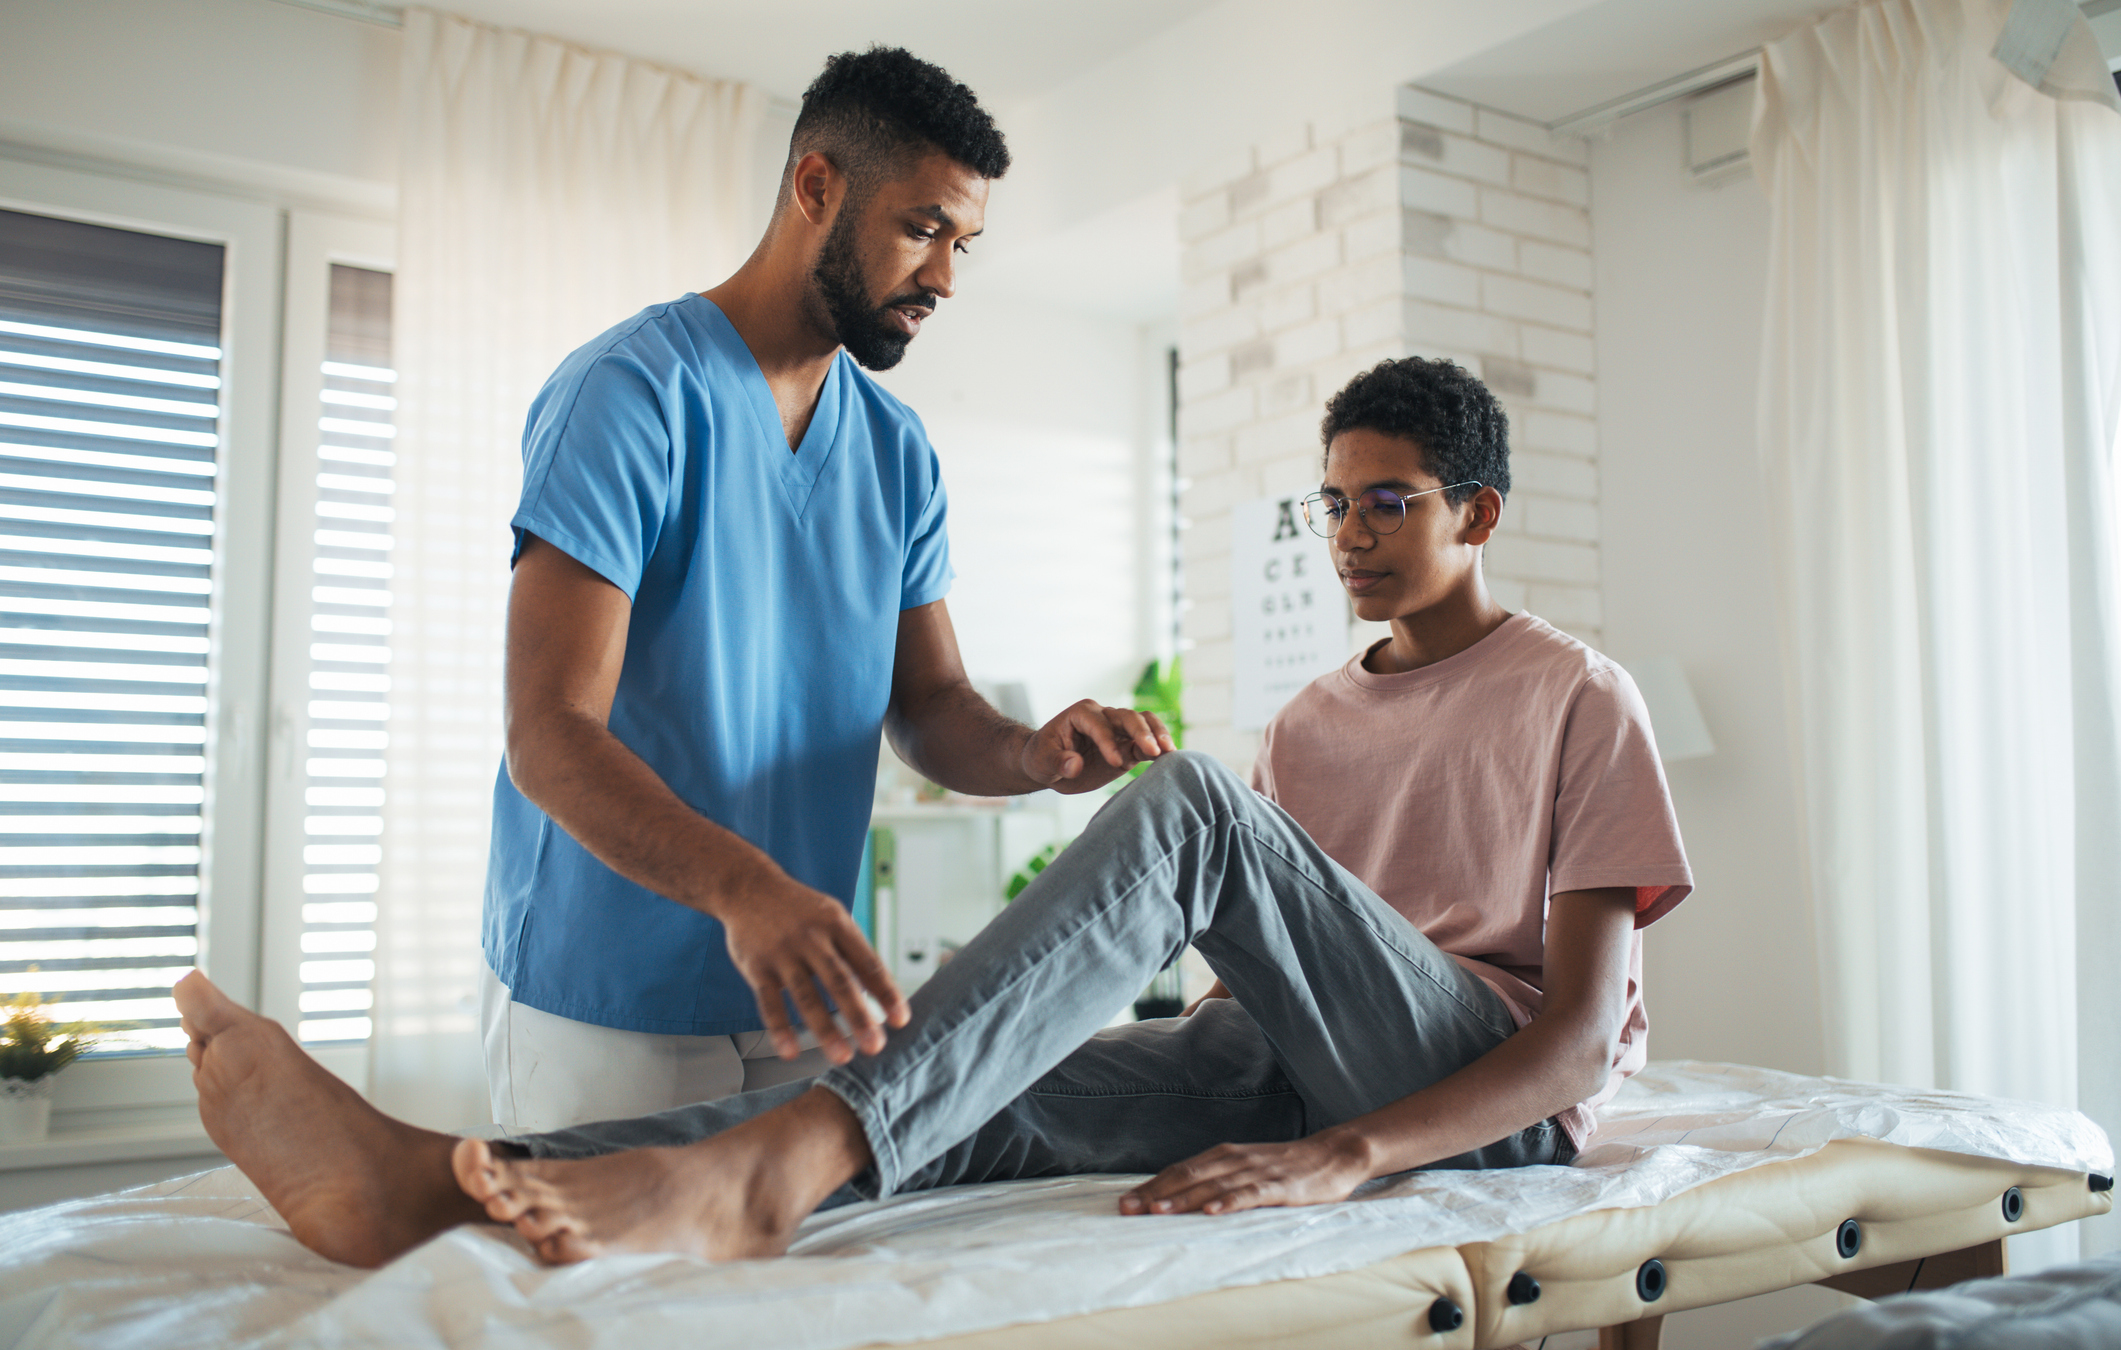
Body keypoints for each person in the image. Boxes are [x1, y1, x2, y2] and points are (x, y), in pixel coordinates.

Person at [175, 356, 1692, 1270]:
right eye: (1335, 503)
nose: (1353, 533)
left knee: (1193, 805)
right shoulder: (1312, 717)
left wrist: (1346, 1158)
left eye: (1394, 501)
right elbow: (1264, 976)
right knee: (966, 1087)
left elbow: (1570, 1047)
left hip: (1477, 1096)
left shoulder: (1579, 695)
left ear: (1477, 514)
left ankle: (757, 1164)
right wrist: (1053, 1017)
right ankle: (445, 1187)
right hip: (1290, 1051)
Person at [483, 45, 1174, 1130]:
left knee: (791, 1298)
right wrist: (746, 892)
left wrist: (1030, 753)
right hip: (609, 1002)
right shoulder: (629, 396)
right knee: (612, 1298)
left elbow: (933, 706)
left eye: (963, 244)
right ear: (817, 187)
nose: (944, 277)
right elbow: (549, 733)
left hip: (805, 1002)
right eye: (921, 228)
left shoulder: (897, 451)